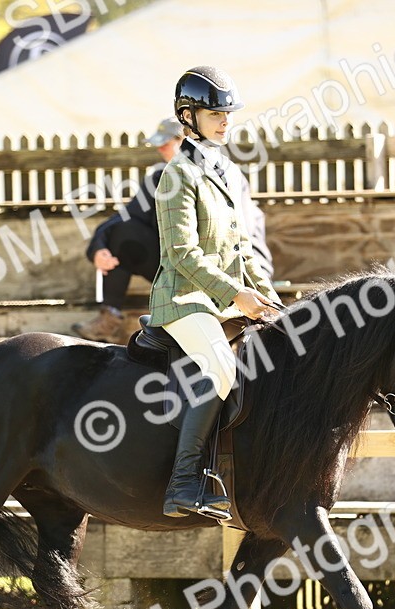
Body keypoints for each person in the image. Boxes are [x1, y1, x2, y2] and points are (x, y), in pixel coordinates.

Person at [149, 66, 282, 520]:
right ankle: (183, 483)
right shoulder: (177, 174)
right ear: (188, 117)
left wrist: (271, 301)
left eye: (228, 113)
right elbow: (181, 253)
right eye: (214, 113)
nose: (225, 120)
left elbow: (242, 250)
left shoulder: (222, 171)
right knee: (223, 368)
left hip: (219, 300)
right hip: (182, 299)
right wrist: (236, 295)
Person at [73, 116, 276, 344]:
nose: (159, 149)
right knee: (123, 233)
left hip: (231, 269)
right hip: (187, 265)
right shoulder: (162, 176)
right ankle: (109, 317)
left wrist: (252, 287)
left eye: (165, 143)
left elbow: (239, 240)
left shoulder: (224, 175)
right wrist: (98, 248)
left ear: (184, 140)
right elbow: (124, 219)